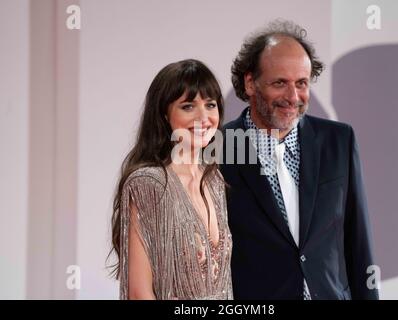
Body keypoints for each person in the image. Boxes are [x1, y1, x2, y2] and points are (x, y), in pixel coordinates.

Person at [220, 20, 379, 300]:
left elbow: (359, 243)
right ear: (250, 83)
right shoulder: (217, 148)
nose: (293, 97)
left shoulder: (338, 140)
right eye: (280, 83)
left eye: (301, 83)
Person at [109, 59, 233, 300]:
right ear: (165, 115)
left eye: (210, 105)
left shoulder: (214, 180)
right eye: (188, 106)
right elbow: (139, 293)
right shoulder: (148, 184)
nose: (204, 117)